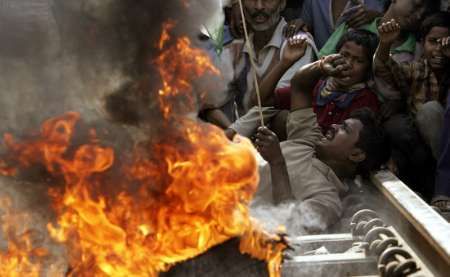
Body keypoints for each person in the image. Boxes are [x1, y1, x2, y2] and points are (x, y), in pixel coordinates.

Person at [251, 54, 390, 234]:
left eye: (344, 129)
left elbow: (290, 227)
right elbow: (300, 86)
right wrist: (321, 67)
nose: (333, 126)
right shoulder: (309, 139)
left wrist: (277, 162)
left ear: (356, 154)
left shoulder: (327, 200)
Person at [201, 0, 317, 130]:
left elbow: (270, 103)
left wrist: (236, 135)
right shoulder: (237, 44)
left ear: (283, 4)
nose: (259, 7)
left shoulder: (298, 43)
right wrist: (237, 138)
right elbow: (208, 104)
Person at [373, 13, 450, 199]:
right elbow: (386, 69)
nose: (439, 49)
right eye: (433, 42)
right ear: (422, 43)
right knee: (403, 123)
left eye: (445, 43)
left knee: (431, 111)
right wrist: (384, 44)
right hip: (421, 152)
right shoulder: (416, 69)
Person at [299, 0, 385, 49]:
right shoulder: (315, 2)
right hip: (319, 71)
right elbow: (307, 27)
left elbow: (393, 28)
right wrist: (299, 25)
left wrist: (377, 17)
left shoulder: (377, 2)